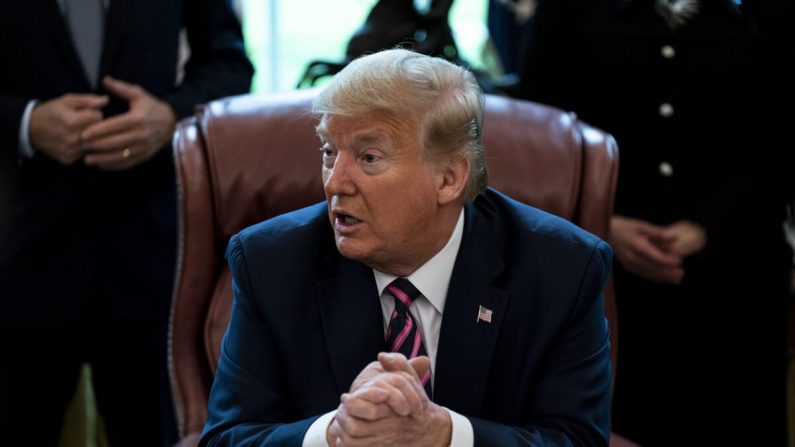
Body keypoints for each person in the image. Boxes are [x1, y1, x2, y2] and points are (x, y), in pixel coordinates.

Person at [199, 48, 613, 447]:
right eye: (329, 151)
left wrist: (443, 435)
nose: (334, 182)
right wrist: (336, 433)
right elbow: (227, 437)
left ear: (449, 179)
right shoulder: (270, 262)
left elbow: (575, 438)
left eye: (369, 157)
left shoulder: (563, 268)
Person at [518, 0, 793, 445]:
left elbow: (781, 144)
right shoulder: (571, 11)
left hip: (739, 272)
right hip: (603, 273)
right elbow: (539, 132)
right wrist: (605, 225)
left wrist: (710, 228)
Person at [0, 1, 253, 446]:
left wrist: (170, 117)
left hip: (151, 256)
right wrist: (26, 122)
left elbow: (229, 66)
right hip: (18, 249)